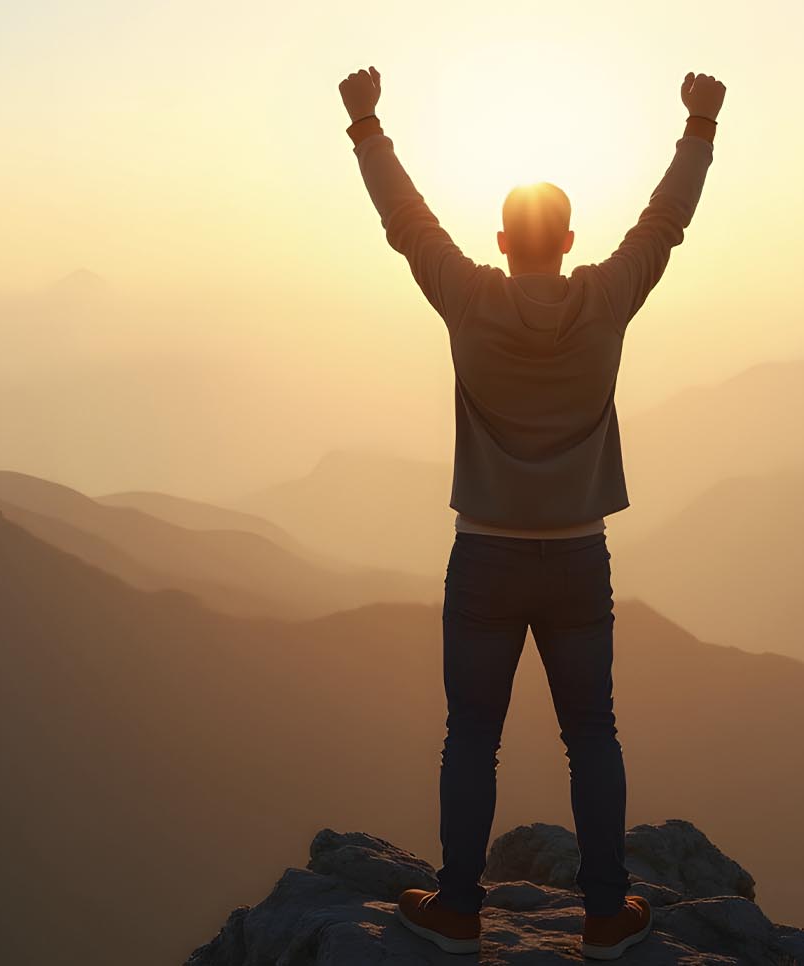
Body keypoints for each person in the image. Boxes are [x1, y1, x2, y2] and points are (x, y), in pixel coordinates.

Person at [337, 64, 724, 960]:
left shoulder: (468, 297)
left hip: (484, 557)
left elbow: (406, 222)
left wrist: (367, 127)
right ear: (570, 239)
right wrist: (698, 126)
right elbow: (664, 224)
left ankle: (458, 908)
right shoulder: (604, 299)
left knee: (471, 733)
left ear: (504, 240)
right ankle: (603, 916)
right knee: (592, 733)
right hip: (579, 558)